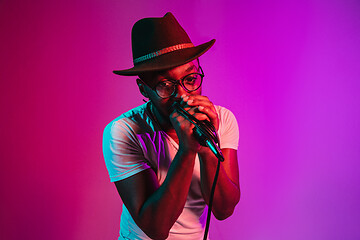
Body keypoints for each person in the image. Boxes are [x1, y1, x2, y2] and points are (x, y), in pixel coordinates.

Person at [103, 12, 240, 240]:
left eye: (190, 79)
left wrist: (207, 148)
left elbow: (224, 210)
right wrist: (187, 150)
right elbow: (156, 228)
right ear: (143, 89)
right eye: (165, 86)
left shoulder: (221, 120)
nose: (183, 95)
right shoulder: (124, 132)